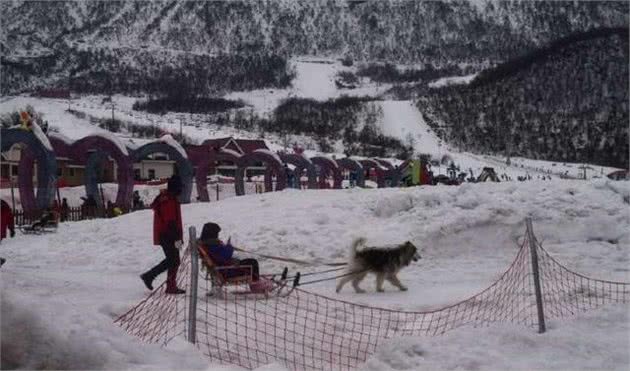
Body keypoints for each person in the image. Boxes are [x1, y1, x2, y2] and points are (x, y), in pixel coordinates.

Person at [140, 175, 185, 294]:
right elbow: (170, 221)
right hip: (168, 235)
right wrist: (177, 238)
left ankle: (167, 284)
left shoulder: (170, 198)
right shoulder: (168, 200)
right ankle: (150, 276)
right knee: (173, 260)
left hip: (168, 234)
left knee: (173, 260)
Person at [0, 200, 16, 267]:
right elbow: (10, 218)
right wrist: (11, 229)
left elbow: (10, 218)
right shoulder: (5, 205)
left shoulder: (5, 206)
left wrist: (11, 229)